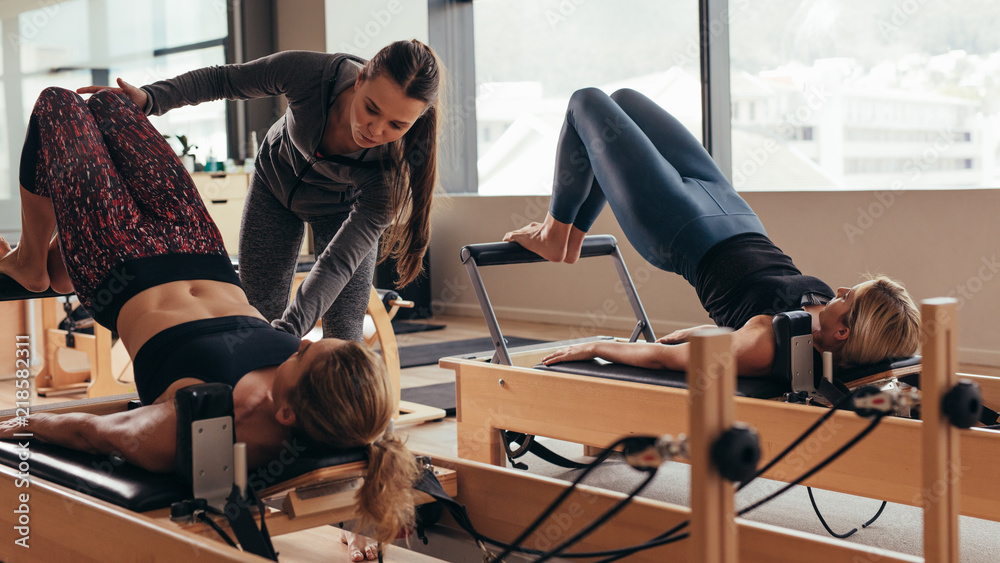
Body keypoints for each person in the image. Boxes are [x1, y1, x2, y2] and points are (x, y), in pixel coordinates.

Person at [0, 87, 415, 559]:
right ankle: (52, 259)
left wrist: (19, 422)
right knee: (110, 106)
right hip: (201, 249)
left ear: (286, 414)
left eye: (299, 354)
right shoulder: (340, 403)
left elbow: (89, 432)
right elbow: (368, 428)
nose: (296, 344)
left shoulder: (202, 423)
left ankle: (34, 260)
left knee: (58, 104)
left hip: (121, 266)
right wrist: (361, 512)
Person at [504, 87, 920, 376]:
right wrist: (709, 331)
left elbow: (669, 360)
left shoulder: (766, 345)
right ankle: (568, 239)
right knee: (624, 103)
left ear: (843, 332)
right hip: (730, 209)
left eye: (849, 298)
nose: (842, 289)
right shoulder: (817, 318)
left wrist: (597, 347)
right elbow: (737, 325)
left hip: (678, 228)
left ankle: (556, 236)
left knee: (586, 103)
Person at [76, 39, 442, 342]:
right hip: (274, 186)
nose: (375, 130)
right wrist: (152, 98)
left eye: (396, 124)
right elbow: (225, 80)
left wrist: (290, 332)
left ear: (416, 120)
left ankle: (347, 427)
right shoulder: (312, 74)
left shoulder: (390, 173)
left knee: (343, 336)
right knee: (257, 313)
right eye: (371, 109)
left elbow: (335, 263)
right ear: (360, 80)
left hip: (342, 211)